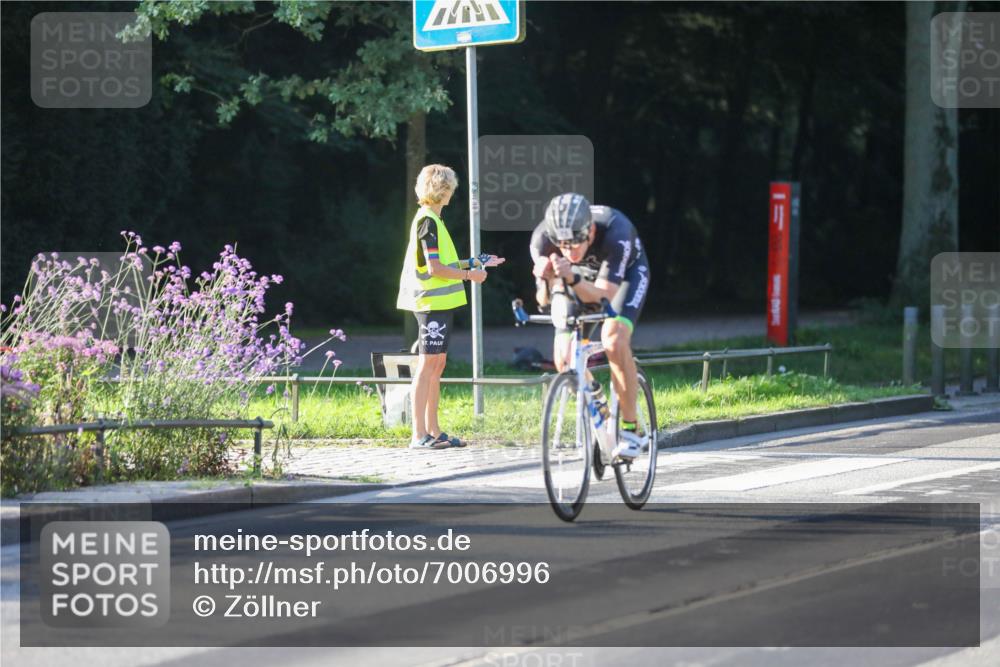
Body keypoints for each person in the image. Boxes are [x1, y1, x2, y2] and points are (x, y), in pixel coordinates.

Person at [530, 193, 650, 460]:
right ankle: (601, 407)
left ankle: (632, 429)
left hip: (624, 278)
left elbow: (604, 296)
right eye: (563, 245)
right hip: (577, 279)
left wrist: (570, 276)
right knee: (563, 358)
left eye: (575, 244)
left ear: (591, 231)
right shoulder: (542, 240)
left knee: (614, 340)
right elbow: (543, 301)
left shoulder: (616, 232)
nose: (569, 251)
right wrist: (546, 279)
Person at [397, 164, 504, 449]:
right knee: (427, 364)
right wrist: (471, 276)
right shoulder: (427, 221)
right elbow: (434, 269)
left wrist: (475, 261)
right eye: (449, 189)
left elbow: (442, 263)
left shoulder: (433, 220)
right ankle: (418, 435)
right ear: (442, 190)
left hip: (440, 304)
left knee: (437, 364)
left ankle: (433, 430)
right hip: (431, 304)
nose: (451, 193)